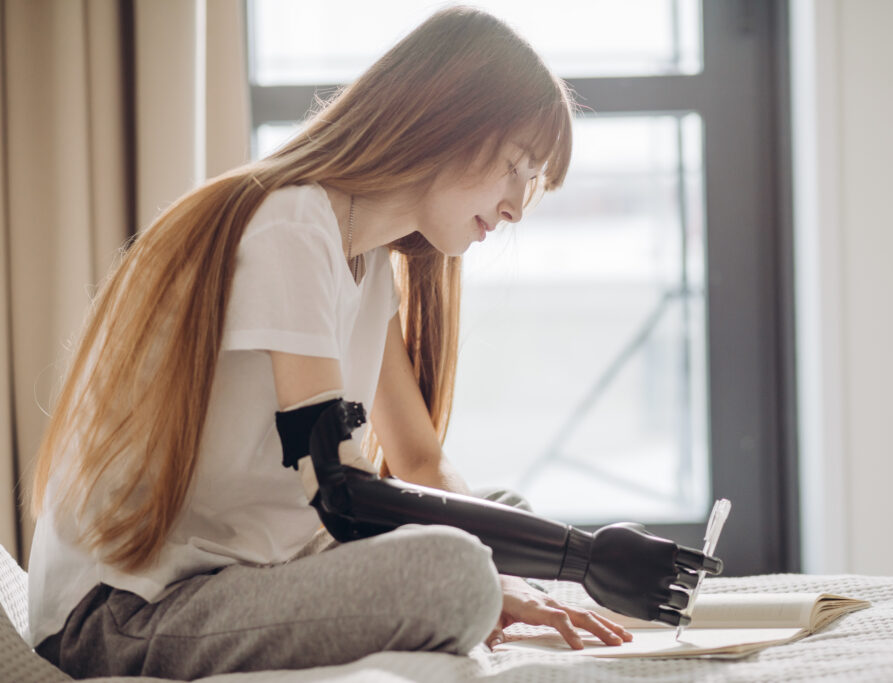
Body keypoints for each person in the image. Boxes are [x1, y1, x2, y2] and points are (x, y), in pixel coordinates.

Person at [26, 7, 718, 679]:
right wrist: (580, 557)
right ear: (447, 119)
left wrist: (522, 563)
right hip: (124, 612)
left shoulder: (368, 264)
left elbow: (419, 459)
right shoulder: (290, 224)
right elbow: (340, 491)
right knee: (457, 572)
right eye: (516, 166)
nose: (516, 207)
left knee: (498, 510)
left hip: (244, 573)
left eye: (531, 183)